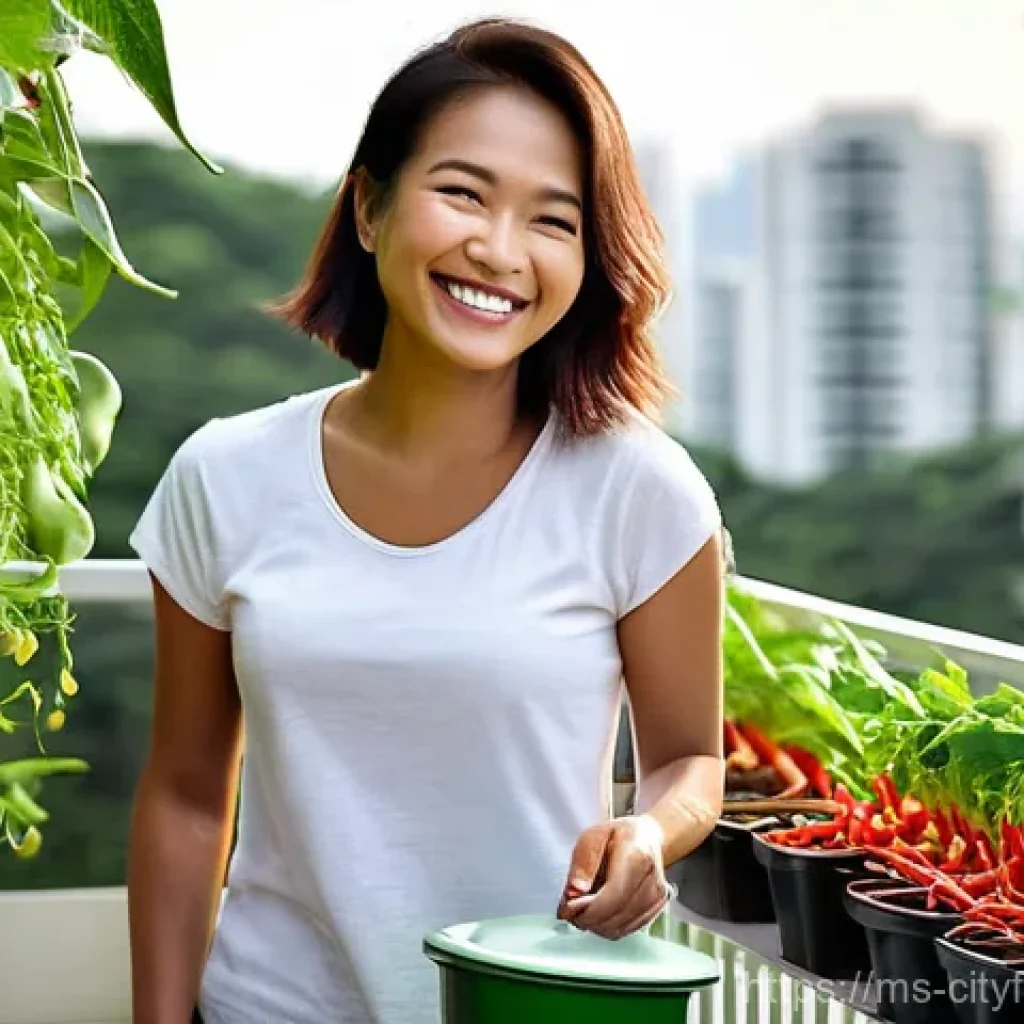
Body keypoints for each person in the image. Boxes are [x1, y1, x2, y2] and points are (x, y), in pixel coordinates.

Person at [126, 16, 726, 1024]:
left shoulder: (642, 491)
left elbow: (688, 760)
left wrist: (649, 833)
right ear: (368, 206)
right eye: (462, 193)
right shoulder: (222, 476)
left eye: (554, 219)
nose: (499, 251)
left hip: (528, 1001)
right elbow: (186, 792)